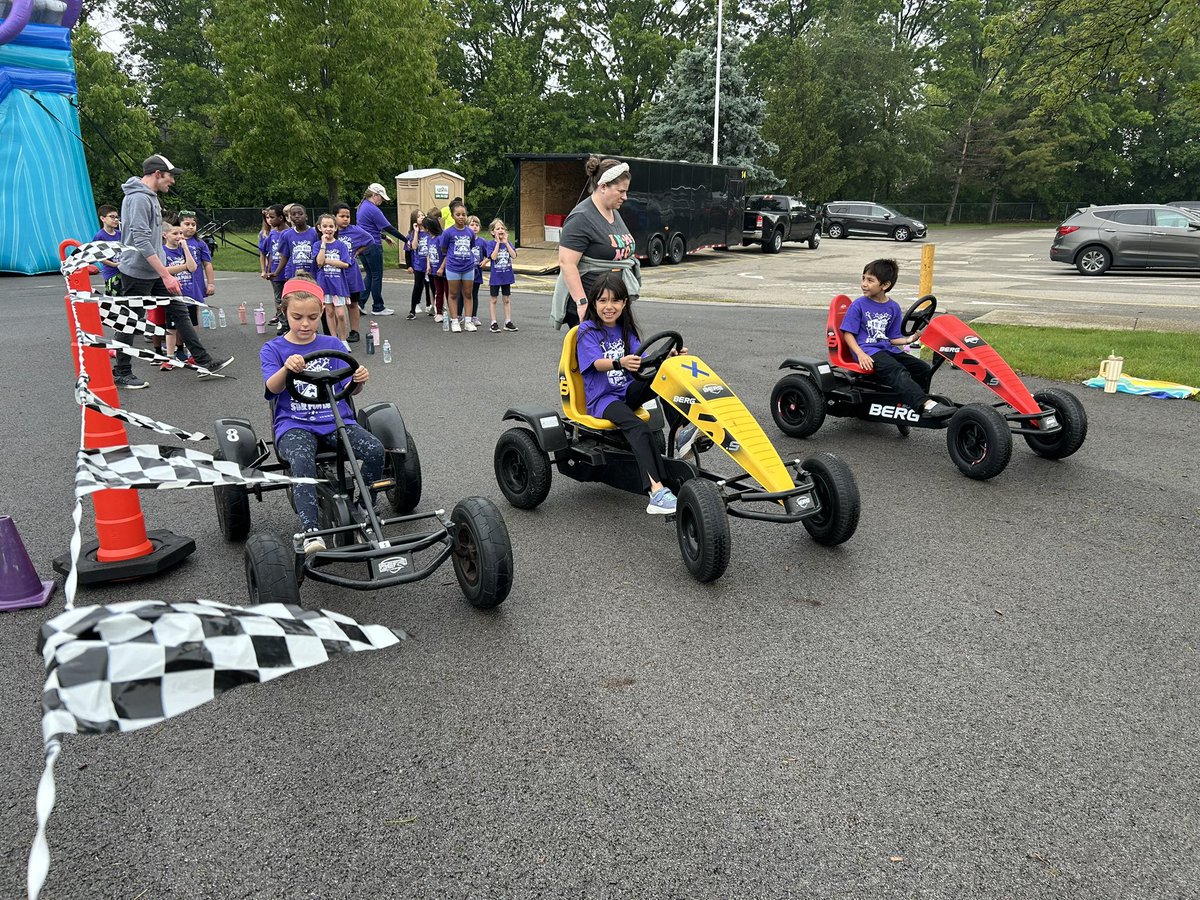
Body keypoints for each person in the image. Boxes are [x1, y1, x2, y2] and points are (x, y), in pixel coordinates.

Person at [260, 278, 384, 554]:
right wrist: (287, 369)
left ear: (320, 316)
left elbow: (351, 388)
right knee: (301, 459)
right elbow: (272, 387)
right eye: (297, 317)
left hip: (335, 420)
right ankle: (311, 530)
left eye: (313, 317)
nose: (305, 324)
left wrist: (359, 379)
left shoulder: (333, 344)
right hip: (295, 425)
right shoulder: (274, 349)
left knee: (375, 449)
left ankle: (364, 510)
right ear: (284, 313)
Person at [576, 272, 697, 515]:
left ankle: (683, 431)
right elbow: (596, 363)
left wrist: (668, 359)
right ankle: (656, 491)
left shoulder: (625, 330)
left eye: (615, 301)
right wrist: (619, 363)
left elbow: (642, 361)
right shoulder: (587, 331)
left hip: (626, 390)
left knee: (666, 377)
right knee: (640, 429)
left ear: (624, 303)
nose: (609, 307)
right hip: (604, 399)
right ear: (594, 303)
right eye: (602, 301)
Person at [111, 154, 232, 388]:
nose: (173, 181)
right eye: (170, 176)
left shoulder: (151, 197)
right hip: (137, 271)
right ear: (158, 174)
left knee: (179, 310)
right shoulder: (138, 198)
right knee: (131, 322)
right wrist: (166, 274)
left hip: (154, 271)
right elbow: (141, 240)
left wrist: (163, 272)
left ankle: (203, 361)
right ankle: (122, 372)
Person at [840, 258, 955, 418]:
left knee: (922, 368)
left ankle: (909, 400)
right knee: (897, 370)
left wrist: (909, 340)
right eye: (863, 278)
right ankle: (924, 405)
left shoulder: (893, 307)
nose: (864, 284)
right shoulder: (859, 305)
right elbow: (848, 334)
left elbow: (892, 338)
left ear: (885, 285)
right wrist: (860, 354)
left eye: (870, 280)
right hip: (867, 350)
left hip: (886, 349)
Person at [553, 156, 639, 329]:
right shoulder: (581, 218)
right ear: (603, 186)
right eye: (621, 191)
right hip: (591, 306)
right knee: (594, 356)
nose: (625, 197)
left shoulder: (613, 212)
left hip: (612, 305)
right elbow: (567, 263)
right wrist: (582, 303)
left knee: (617, 353)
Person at [355, 182, 404, 316]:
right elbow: (389, 228)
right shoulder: (373, 209)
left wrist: (383, 237)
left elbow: (367, 227)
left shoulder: (362, 206)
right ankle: (378, 306)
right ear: (374, 195)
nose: (381, 201)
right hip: (373, 246)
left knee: (370, 274)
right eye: (381, 197)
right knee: (376, 275)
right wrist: (406, 240)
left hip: (362, 245)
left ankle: (360, 302)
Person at [158, 215, 195, 365]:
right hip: (172, 294)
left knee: (189, 325)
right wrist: (184, 266)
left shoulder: (183, 249)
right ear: (164, 235)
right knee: (171, 328)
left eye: (180, 233)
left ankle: (189, 353)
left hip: (188, 292)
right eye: (175, 234)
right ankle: (170, 357)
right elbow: (164, 270)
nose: (179, 236)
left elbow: (192, 267)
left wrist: (185, 248)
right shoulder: (162, 251)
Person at [313, 213, 354, 349]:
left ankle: (343, 339)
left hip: (338, 285)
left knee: (340, 314)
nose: (328, 229)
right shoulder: (317, 245)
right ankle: (333, 339)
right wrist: (323, 244)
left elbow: (346, 264)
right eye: (325, 226)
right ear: (319, 228)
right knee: (329, 313)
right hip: (324, 284)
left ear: (335, 228)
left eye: (331, 226)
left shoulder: (341, 245)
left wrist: (328, 261)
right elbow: (319, 262)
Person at [437, 202, 477, 332]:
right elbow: (444, 248)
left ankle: (468, 321)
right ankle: (454, 321)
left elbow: (471, 246)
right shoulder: (448, 233)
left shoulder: (470, 232)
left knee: (468, 293)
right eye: (458, 214)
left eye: (463, 214)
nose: (461, 217)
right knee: (453, 294)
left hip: (468, 267)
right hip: (453, 267)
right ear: (453, 216)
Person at [332, 203, 369, 342]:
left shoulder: (355, 231)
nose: (345, 219)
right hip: (334, 273)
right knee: (335, 304)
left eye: (348, 216)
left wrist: (357, 252)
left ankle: (354, 331)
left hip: (351, 273)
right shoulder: (331, 231)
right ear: (334, 216)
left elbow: (369, 240)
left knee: (353, 303)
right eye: (342, 216)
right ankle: (334, 333)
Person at [486, 218, 518, 333]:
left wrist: (505, 243)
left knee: (506, 299)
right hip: (496, 277)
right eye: (497, 228)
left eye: (502, 228)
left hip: (506, 276)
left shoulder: (508, 243)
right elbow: (493, 257)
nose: (500, 230)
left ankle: (508, 321)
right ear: (492, 232)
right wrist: (498, 243)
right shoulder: (490, 244)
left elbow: (514, 256)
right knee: (494, 300)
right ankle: (493, 322)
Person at [272, 205, 320, 282]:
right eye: (293, 214)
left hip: (312, 275)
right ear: (290, 217)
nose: (297, 216)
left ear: (306, 216)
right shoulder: (287, 235)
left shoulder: (315, 233)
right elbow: (285, 256)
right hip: (294, 274)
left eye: (300, 214)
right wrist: (276, 273)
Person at [259, 204, 287, 328]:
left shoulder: (289, 232)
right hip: (275, 273)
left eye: (272, 217)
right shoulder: (272, 234)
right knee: (278, 299)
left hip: (288, 272)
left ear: (281, 218)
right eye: (268, 217)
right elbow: (264, 252)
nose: (269, 220)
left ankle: (291, 323)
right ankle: (284, 323)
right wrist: (265, 270)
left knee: (290, 299)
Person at [91, 205, 122, 296]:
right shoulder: (100, 236)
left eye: (117, 217)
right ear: (103, 218)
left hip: (124, 270)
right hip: (111, 273)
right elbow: (96, 255)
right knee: (115, 299)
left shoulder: (120, 234)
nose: (115, 219)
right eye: (112, 217)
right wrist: (113, 264)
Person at [406, 209, 430, 319]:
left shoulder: (429, 232)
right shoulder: (412, 234)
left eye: (423, 215)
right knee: (418, 285)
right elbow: (413, 247)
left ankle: (431, 305)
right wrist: (416, 232)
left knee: (430, 286)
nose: (422, 217)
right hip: (419, 264)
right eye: (419, 216)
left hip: (430, 264)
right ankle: (413, 309)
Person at [424, 213, 447, 327]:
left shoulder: (440, 238)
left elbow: (446, 254)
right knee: (438, 292)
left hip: (443, 270)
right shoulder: (429, 239)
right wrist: (428, 265)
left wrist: (442, 267)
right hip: (433, 270)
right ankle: (439, 312)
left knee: (448, 292)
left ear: (429, 228)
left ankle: (452, 313)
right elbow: (429, 253)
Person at [467, 214, 485, 328]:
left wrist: (485, 261)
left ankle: (473, 316)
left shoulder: (482, 242)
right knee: (462, 294)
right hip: (465, 271)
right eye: (472, 224)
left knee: (474, 294)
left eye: (476, 225)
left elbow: (489, 254)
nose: (474, 227)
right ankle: (459, 315)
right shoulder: (465, 240)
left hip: (477, 272)